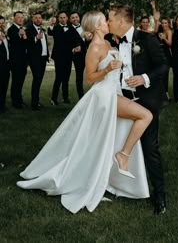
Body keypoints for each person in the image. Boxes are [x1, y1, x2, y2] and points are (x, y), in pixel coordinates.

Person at [17, 11, 152, 214]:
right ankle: (122, 156)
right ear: (97, 26)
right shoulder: (95, 47)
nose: (108, 22)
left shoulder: (107, 43)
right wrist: (107, 70)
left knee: (100, 141)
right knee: (145, 115)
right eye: (104, 21)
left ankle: (113, 168)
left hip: (113, 92)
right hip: (103, 97)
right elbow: (90, 77)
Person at [108, 4, 168, 214]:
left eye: (111, 20)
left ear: (122, 22)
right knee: (120, 143)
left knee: (150, 148)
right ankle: (121, 186)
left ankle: (159, 196)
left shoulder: (147, 39)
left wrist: (143, 78)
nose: (108, 23)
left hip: (147, 101)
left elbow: (163, 65)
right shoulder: (112, 42)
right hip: (124, 100)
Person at [48, 12, 73, 105]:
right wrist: (51, 24)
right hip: (59, 57)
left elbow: (74, 39)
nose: (63, 19)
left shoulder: (70, 28)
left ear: (67, 18)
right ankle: (53, 99)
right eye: (61, 17)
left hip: (68, 56)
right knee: (59, 77)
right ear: (58, 19)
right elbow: (50, 32)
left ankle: (65, 98)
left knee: (66, 78)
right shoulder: (56, 27)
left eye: (64, 17)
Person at [26, 12, 49, 110]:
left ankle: (36, 100)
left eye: (40, 18)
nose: (38, 19)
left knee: (39, 80)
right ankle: (34, 104)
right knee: (37, 79)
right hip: (35, 59)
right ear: (33, 20)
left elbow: (44, 44)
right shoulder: (29, 29)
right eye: (36, 18)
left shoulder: (42, 30)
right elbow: (27, 43)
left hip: (43, 59)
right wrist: (36, 38)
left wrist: (47, 54)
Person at [7, 11, 28, 109]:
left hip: (23, 61)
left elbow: (24, 45)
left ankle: (19, 99)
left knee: (21, 81)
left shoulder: (23, 29)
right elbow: (13, 40)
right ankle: (15, 102)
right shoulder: (11, 29)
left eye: (22, 17)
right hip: (15, 61)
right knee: (16, 81)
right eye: (18, 17)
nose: (20, 19)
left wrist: (24, 37)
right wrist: (20, 34)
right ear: (14, 19)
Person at [69, 12, 86, 99]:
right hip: (78, 57)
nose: (75, 19)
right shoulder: (69, 30)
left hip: (89, 55)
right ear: (70, 19)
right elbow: (66, 45)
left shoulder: (85, 27)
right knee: (79, 76)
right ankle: (81, 96)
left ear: (79, 18)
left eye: (76, 17)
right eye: (73, 17)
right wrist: (73, 50)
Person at [0, 16, 10, 113]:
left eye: (3, 23)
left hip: (6, 64)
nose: (2, 24)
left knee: (4, 85)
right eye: (0, 23)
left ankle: (2, 105)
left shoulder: (4, 33)